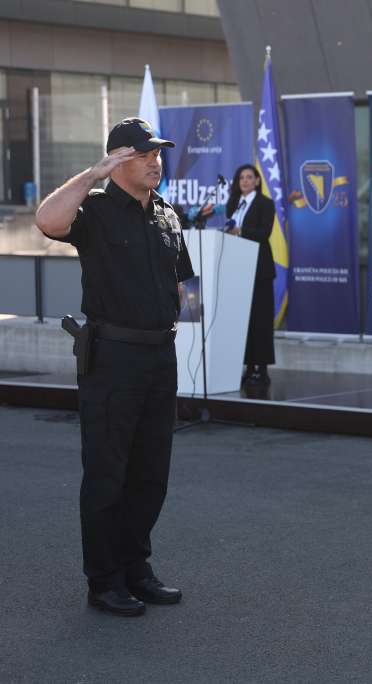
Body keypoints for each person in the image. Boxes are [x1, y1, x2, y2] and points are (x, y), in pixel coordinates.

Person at [34, 117, 192, 616]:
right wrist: (93, 174)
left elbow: (178, 281)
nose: (154, 162)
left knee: (151, 473)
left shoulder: (166, 213)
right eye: (143, 154)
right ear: (118, 159)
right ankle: (104, 580)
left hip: (159, 355)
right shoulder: (96, 211)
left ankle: (135, 567)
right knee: (108, 472)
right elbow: (47, 221)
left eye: (157, 154)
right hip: (113, 358)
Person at [225, 164, 276, 385]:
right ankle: (248, 367)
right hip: (238, 269)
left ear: (257, 181)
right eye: (241, 178)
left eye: (249, 177)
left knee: (261, 320)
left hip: (260, 270)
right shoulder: (233, 203)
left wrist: (241, 231)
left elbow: (264, 233)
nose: (245, 181)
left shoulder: (265, 203)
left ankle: (262, 370)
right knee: (243, 321)